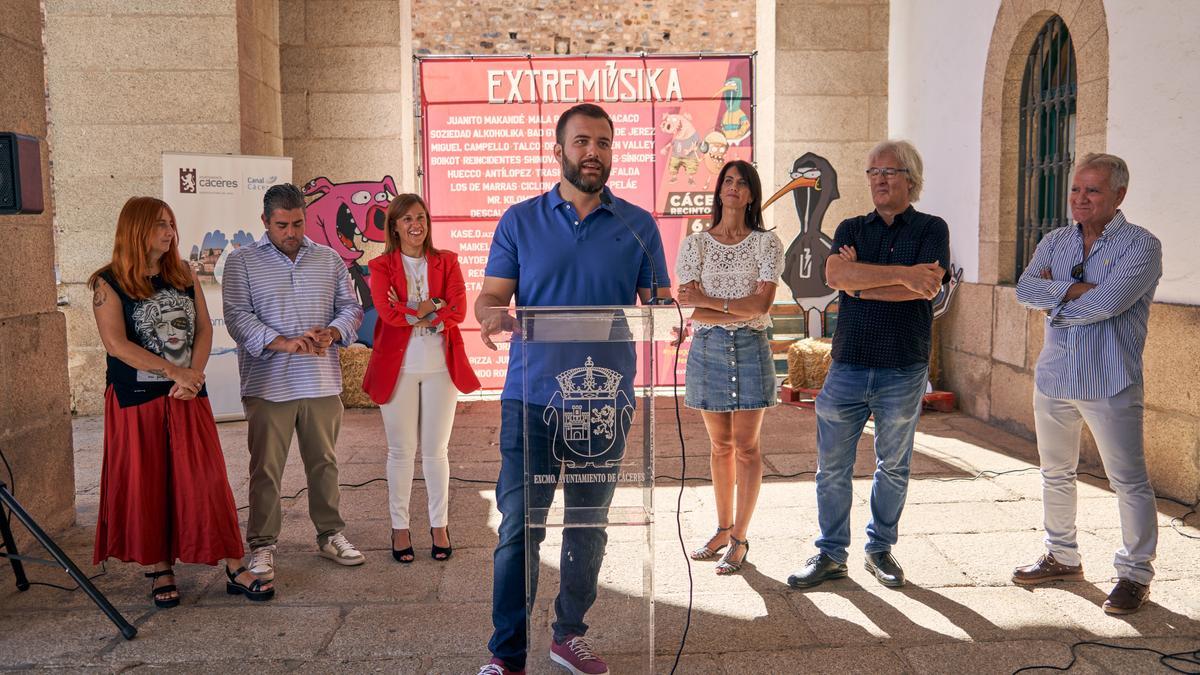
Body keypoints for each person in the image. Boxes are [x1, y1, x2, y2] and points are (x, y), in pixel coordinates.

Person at [474, 103, 671, 675]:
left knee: (589, 525)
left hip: (604, 403)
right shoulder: (520, 220)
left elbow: (657, 305)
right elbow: (490, 298)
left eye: (604, 143)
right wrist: (491, 316)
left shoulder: (638, 224)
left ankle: (569, 633)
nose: (594, 152)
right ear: (558, 150)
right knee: (519, 528)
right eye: (582, 142)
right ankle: (506, 654)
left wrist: (669, 310)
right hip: (532, 396)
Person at [90, 196, 273, 607]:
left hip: (187, 392)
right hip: (136, 397)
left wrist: (193, 376)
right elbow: (116, 344)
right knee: (147, 481)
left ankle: (232, 563)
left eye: (171, 224)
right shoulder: (109, 281)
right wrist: (174, 371)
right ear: (136, 230)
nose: (169, 232)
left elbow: (205, 329)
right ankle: (159, 567)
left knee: (206, 479)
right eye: (160, 224)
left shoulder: (183, 273)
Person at [786, 140, 949, 590]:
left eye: (889, 171)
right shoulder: (850, 226)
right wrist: (900, 274)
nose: (878, 179)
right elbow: (835, 277)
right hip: (849, 364)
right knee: (832, 467)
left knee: (893, 466)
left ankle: (880, 549)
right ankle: (830, 553)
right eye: (873, 171)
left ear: (911, 180)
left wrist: (864, 282)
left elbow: (925, 290)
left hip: (903, 365)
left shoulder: (933, 228)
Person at [1012, 153, 1161, 615]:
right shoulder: (1055, 240)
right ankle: (1062, 555)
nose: (1080, 199)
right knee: (1055, 473)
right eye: (1076, 189)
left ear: (1119, 195)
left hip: (1110, 380)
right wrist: (1080, 291)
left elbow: (1110, 304)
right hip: (1055, 375)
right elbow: (1023, 289)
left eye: (1092, 190)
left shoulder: (1141, 245)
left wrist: (1055, 298)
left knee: (1128, 481)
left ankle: (1135, 574)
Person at [223, 183, 366, 582]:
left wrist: (333, 334)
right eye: (282, 225)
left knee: (324, 463)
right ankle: (263, 544)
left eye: (298, 223)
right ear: (265, 222)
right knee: (266, 468)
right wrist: (283, 343)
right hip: (268, 385)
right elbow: (236, 317)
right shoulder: (242, 262)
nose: (291, 232)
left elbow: (352, 308)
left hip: (320, 381)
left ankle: (330, 533)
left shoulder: (329, 258)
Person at [675, 160, 783, 575]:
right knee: (720, 446)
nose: (734, 187)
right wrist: (726, 307)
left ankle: (740, 538)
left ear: (752, 194)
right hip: (707, 349)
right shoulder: (697, 244)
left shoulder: (766, 244)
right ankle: (721, 529)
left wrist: (712, 302)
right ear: (719, 191)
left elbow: (761, 306)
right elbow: (690, 305)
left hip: (752, 347)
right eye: (727, 181)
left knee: (748, 446)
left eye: (742, 183)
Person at [362, 193, 480, 563]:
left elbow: (458, 309)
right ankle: (400, 528)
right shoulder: (380, 266)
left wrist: (415, 307)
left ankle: (439, 525)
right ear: (394, 226)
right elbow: (387, 311)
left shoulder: (448, 261)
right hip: (397, 369)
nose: (417, 225)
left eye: (422, 217)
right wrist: (432, 306)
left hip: (441, 368)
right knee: (401, 451)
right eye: (408, 219)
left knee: (436, 452)